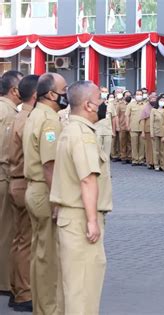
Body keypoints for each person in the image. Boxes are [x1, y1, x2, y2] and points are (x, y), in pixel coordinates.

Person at [50, 80, 112, 315]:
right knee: (83, 289)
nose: (103, 104)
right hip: (80, 220)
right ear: (88, 105)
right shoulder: (83, 135)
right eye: (100, 99)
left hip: (70, 217)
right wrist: (92, 221)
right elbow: (87, 179)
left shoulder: (70, 129)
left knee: (69, 288)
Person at [23, 72, 68, 315]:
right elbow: (49, 164)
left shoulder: (35, 113)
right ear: (51, 94)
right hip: (44, 190)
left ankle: (41, 307)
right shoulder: (49, 120)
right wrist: (57, 200)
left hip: (34, 189)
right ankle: (49, 309)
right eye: (63, 89)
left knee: (40, 254)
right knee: (49, 258)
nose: (66, 94)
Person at [6, 75, 38, 312]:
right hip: (24, 183)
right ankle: (23, 292)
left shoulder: (20, 115)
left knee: (19, 240)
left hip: (16, 181)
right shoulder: (28, 119)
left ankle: (18, 288)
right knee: (26, 241)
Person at [0, 70, 23, 302]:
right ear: (14, 90)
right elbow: (7, 152)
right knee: (7, 231)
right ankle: (5, 281)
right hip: (3, 176)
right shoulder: (7, 113)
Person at [95, 86, 117, 160]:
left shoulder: (110, 104)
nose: (104, 93)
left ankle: (105, 170)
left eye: (106, 92)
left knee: (106, 154)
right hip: (97, 130)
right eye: (103, 91)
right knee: (97, 153)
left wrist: (113, 131)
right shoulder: (95, 103)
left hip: (108, 130)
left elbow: (113, 117)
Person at [126, 90, 146, 166]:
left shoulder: (145, 104)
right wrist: (127, 125)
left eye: (140, 94)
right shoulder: (130, 105)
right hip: (133, 127)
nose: (139, 95)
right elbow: (127, 116)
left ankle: (141, 159)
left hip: (142, 128)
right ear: (134, 96)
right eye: (137, 94)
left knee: (142, 144)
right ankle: (134, 159)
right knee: (134, 144)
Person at [150, 94, 164, 171]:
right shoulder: (154, 110)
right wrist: (152, 133)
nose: (162, 102)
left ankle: (162, 165)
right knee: (156, 150)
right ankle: (156, 164)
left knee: (162, 150)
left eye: (163, 101)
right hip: (155, 131)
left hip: (163, 132)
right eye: (160, 100)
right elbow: (151, 122)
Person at [140, 93, 155, 169]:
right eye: (151, 99)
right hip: (148, 130)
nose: (153, 100)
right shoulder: (145, 108)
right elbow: (142, 120)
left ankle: (155, 162)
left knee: (155, 147)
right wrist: (143, 131)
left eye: (154, 99)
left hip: (156, 130)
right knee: (149, 147)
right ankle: (149, 162)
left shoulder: (157, 108)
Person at [116, 89, 131, 164]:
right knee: (122, 143)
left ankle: (129, 156)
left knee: (130, 142)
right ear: (124, 96)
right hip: (122, 126)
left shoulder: (132, 104)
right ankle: (123, 157)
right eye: (126, 95)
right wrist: (117, 126)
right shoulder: (120, 104)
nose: (128, 96)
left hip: (131, 126)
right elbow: (117, 116)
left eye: (129, 95)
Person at [108, 93, 121, 162]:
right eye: (110, 97)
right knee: (112, 141)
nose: (112, 98)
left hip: (118, 123)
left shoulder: (120, 103)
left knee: (118, 141)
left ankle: (118, 154)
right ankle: (113, 155)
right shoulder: (109, 104)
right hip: (109, 124)